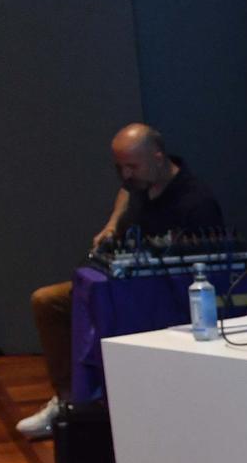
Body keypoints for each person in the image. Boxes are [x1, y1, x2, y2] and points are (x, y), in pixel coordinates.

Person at [19, 123, 224, 438]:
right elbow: (126, 193)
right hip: (120, 285)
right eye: (120, 168)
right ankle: (68, 401)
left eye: (132, 166)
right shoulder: (141, 183)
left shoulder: (195, 202)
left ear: (157, 157)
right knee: (47, 302)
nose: (126, 176)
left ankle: (114, 408)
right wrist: (113, 225)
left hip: (161, 299)